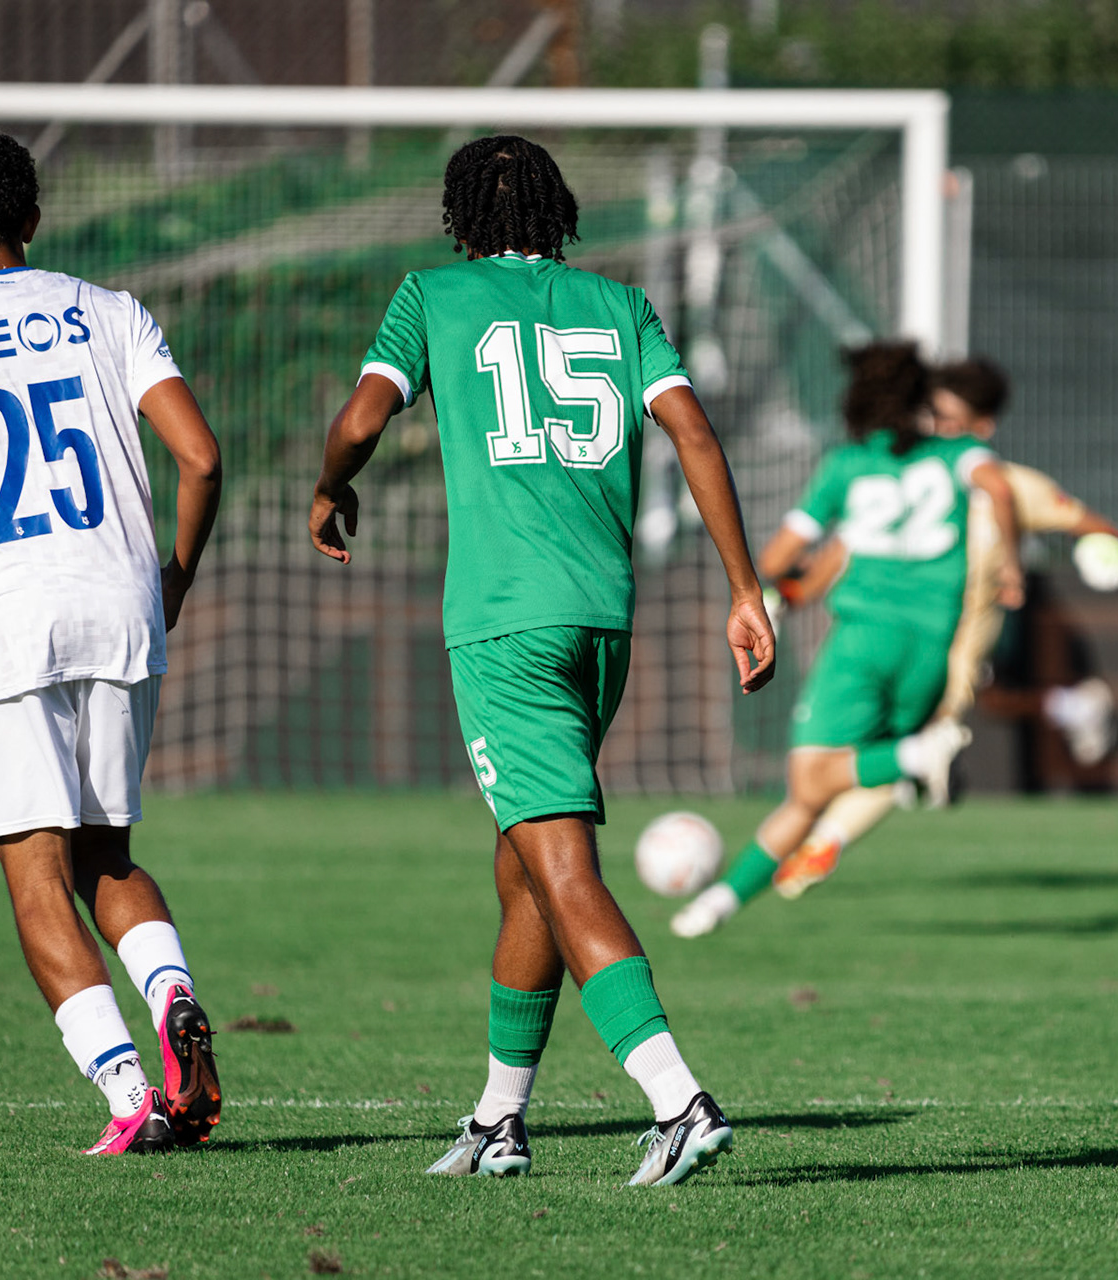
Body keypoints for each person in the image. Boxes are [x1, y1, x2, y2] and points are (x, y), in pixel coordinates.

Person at [309, 135, 774, 1186]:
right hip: (601, 617)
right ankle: (498, 1118)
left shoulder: (431, 296)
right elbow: (696, 435)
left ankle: (678, 1099)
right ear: (558, 213)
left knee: (560, 866)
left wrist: (331, 484)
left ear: (460, 218)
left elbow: (362, 417)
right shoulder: (623, 305)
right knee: (523, 864)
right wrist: (745, 589)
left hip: (504, 623)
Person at [0, 127, 225, 1154]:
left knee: (36, 874)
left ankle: (128, 1090)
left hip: (7, 621)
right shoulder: (112, 312)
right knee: (109, 852)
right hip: (121, 603)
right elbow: (200, 457)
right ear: (33, 218)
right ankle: (175, 996)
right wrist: (176, 577)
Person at [671, 342, 1021, 937]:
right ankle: (720, 903)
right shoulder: (957, 454)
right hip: (930, 650)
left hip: (863, 643)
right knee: (816, 795)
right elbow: (1000, 487)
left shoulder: (847, 467)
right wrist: (1009, 561)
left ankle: (918, 757)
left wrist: (783, 586)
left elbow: (778, 558)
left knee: (811, 779)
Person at [768, 356, 1118, 898]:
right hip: (906, 640)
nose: (938, 427)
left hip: (954, 649)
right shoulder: (909, 476)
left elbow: (1093, 525)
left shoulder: (1013, 485)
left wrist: (1102, 551)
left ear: (983, 426)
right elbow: (841, 552)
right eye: (934, 415)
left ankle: (824, 844)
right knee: (934, 730)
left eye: (952, 420)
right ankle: (1069, 706)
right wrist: (788, 597)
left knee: (905, 746)